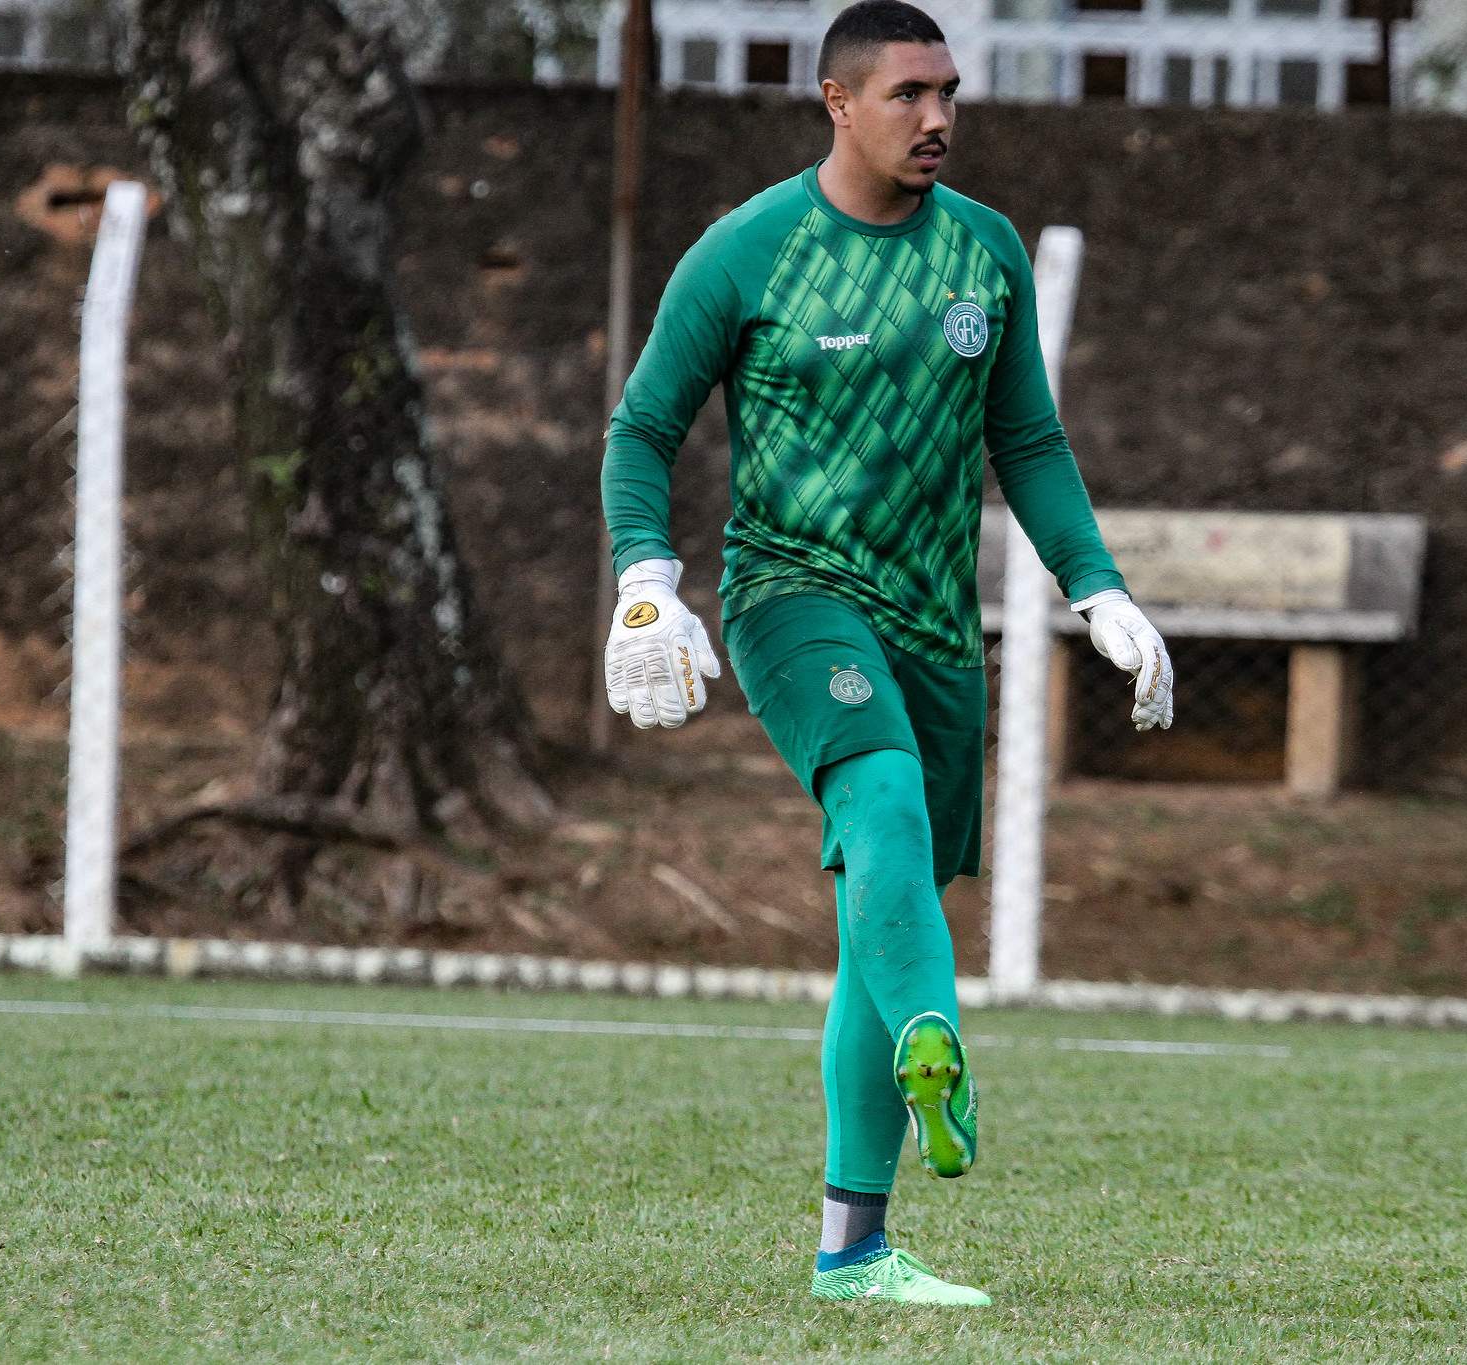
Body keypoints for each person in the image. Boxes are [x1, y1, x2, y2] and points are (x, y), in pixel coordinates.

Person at [598, 0, 1175, 1308]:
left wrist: (1099, 589)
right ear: (838, 102)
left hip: (935, 622)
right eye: (910, 93)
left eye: (948, 92)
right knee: (883, 796)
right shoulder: (747, 252)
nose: (938, 116)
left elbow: (1029, 440)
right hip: (790, 595)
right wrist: (646, 583)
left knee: (885, 899)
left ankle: (853, 1251)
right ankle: (940, 1038)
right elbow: (643, 430)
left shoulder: (984, 249)